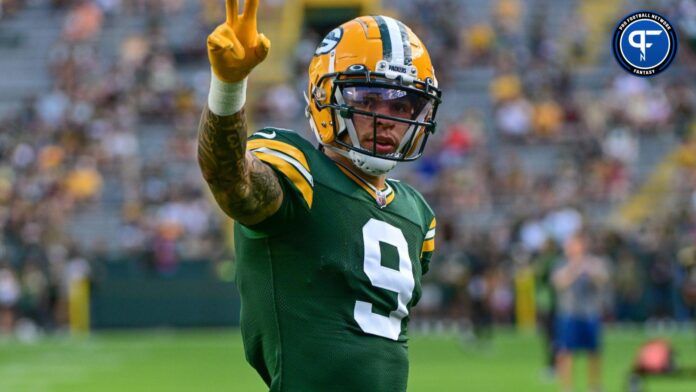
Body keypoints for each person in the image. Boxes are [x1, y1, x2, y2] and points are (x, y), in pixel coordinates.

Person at [196, 1, 442, 391]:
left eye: (404, 104)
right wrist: (228, 87)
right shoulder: (301, 173)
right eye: (367, 99)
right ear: (326, 99)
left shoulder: (417, 215)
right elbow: (231, 180)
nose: (388, 118)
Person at [552, 232, 609, 392]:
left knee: (594, 351)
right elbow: (559, 284)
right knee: (566, 351)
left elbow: (603, 281)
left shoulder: (594, 263)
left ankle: (594, 385)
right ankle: (567, 386)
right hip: (569, 312)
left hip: (590, 312)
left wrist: (590, 273)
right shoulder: (562, 264)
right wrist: (574, 270)